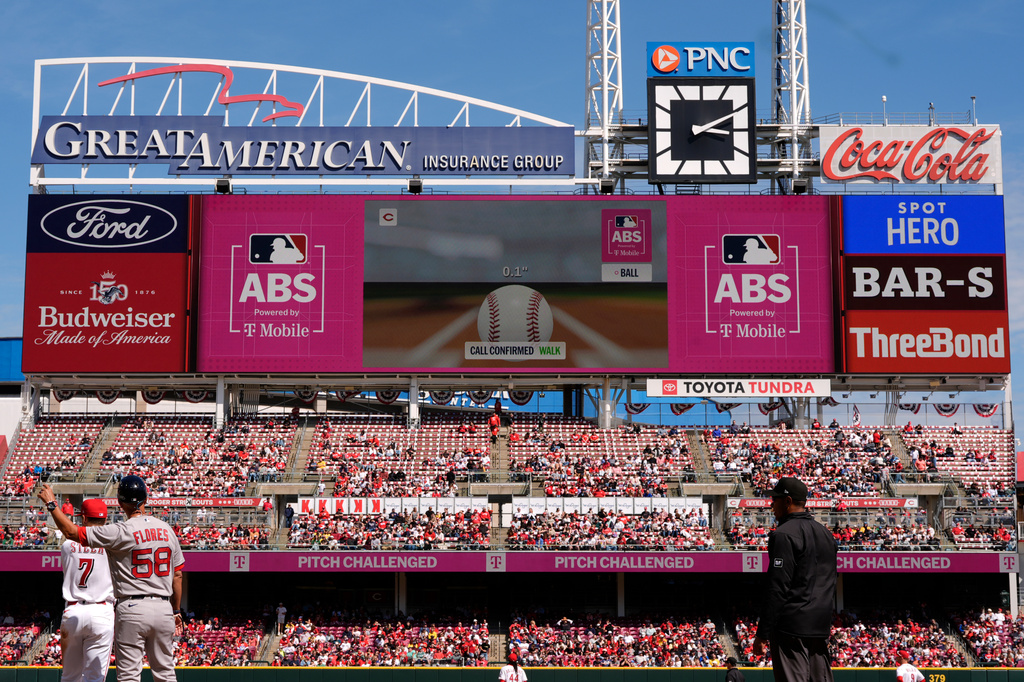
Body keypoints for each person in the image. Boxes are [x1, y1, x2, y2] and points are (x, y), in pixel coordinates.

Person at [39, 475, 184, 682]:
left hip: (130, 606)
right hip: (162, 607)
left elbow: (71, 533)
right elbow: (177, 574)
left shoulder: (119, 532)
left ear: (120, 502)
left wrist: (52, 504)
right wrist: (176, 610)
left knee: (128, 676)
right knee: (166, 674)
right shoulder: (168, 530)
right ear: (146, 498)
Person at [752, 477, 837, 682]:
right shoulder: (826, 533)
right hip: (820, 624)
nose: (772, 505)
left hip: (791, 626)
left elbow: (778, 587)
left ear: (788, 501)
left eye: (776, 500)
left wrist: (762, 633)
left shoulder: (783, 534)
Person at [59, 498, 114, 682]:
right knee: (95, 678)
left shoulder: (67, 546)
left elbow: (72, 534)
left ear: (83, 519)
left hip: (73, 610)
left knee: (70, 677)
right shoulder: (112, 546)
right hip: (101, 610)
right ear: (105, 520)